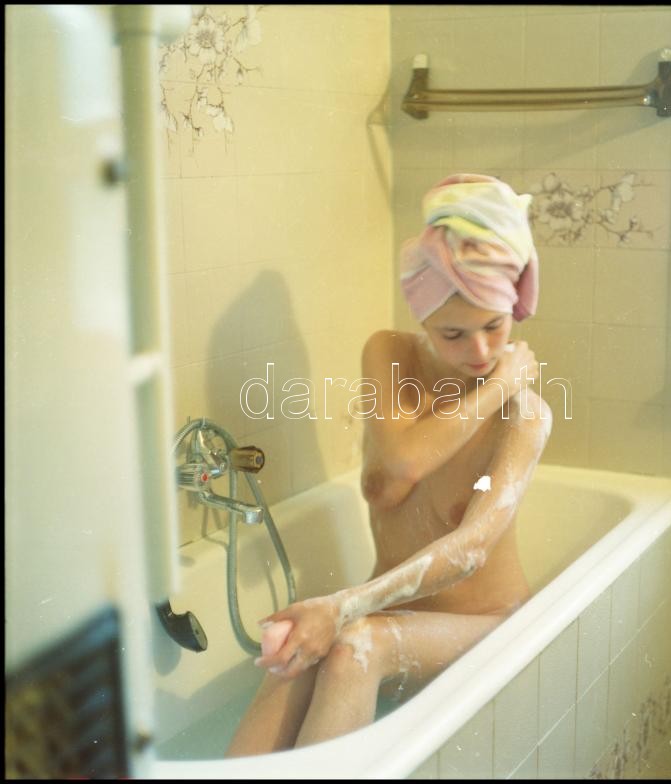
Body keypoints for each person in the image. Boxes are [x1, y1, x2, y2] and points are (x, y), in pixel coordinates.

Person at [226, 173, 552, 756]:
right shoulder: (390, 354)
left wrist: (342, 608)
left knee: (355, 646)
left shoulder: (524, 416)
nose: (480, 352)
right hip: (391, 610)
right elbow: (401, 467)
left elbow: (471, 549)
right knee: (299, 650)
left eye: (494, 327)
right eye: (453, 333)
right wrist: (495, 388)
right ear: (422, 318)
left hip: (487, 626)